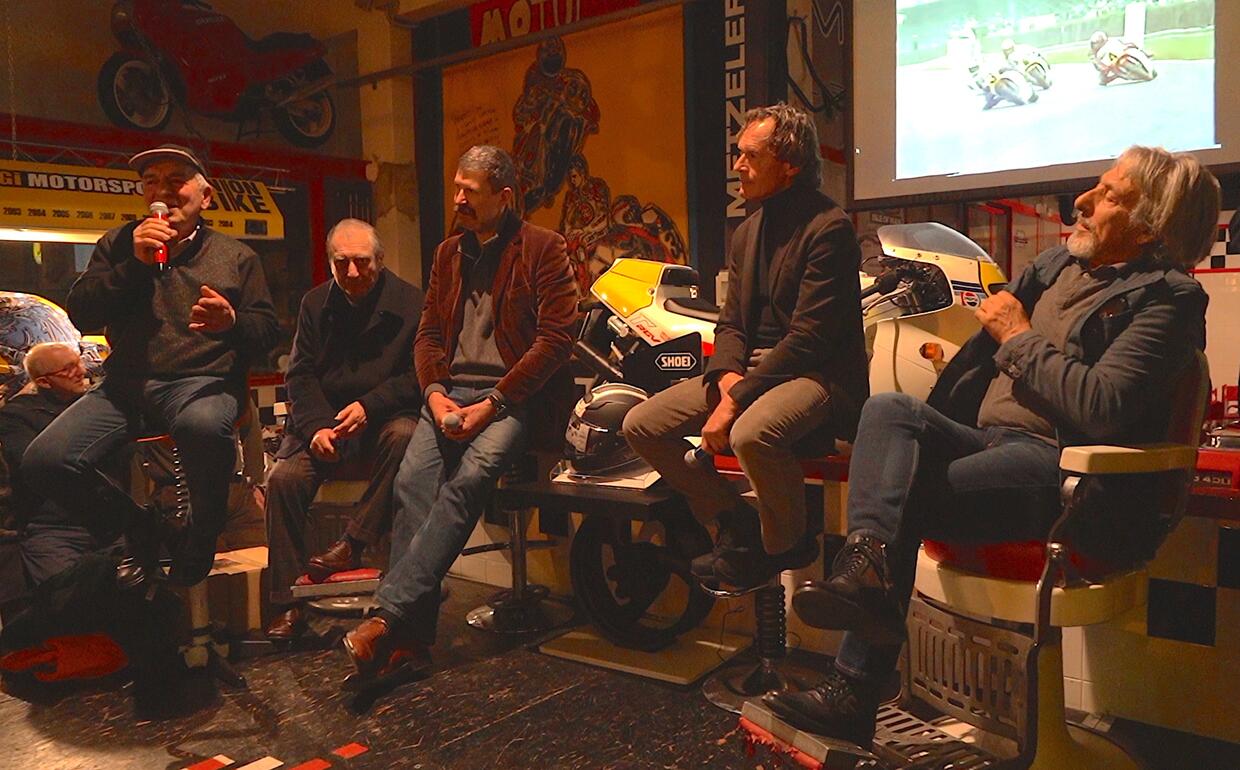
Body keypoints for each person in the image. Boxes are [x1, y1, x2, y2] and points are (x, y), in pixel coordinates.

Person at [765, 146, 1221, 746]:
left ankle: (853, 688)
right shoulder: (1056, 268)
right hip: (990, 442)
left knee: (904, 495)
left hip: (1063, 472)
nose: (1082, 201)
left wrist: (1018, 335)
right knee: (889, 409)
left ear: (1149, 227)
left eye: (1110, 195)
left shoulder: (1169, 298)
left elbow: (1101, 406)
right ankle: (865, 569)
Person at [342, 145, 578, 680]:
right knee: (411, 485)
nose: (458, 200)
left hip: (511, 398)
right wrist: (433, 394)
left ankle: (387, 618)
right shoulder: (448, 253)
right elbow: (427, 335)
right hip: (448, 395)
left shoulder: (543, 247)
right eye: (456, 188)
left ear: (504, 196)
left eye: (470, 191)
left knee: (468, 481)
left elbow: (557, 339)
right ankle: (410, 644)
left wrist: (494, 403)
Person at [623, 103, 869, 591]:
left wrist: (735, 400)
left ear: (790, 164)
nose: (738, 166)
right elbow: (732, 323)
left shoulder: (830, 227)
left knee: (751, 434)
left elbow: (809, 339)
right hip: (753, 374)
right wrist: (728, 378)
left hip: (816, 376)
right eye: (739, 154)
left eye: (751, 156)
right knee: (641, 424)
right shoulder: (748, 231)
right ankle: (737, 525)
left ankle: (786, 545)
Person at [23, 143, 278, 587]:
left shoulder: (237, 257)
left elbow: (267, 333)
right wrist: (134, 266)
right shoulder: (119, 244)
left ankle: (200, 536)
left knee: (203, 426)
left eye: (176, 181)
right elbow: (82, 312)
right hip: (125, 386)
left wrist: (232, 322)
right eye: (151, 182)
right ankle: (140, 527)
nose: (162, 191)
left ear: (205, 196)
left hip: (202, 382)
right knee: (44, 460)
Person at [263, 220, 425, 641]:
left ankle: (353, 542)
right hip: (327, 422)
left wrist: (370, 406)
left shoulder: (411, 302)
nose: (352, 272)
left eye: (362, 262)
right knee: (282, 480)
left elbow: (418, 377)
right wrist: (317, 425)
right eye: (342, 263)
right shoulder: (315, 303)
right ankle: (286, 601)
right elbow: (299, 375)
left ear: (380, 260)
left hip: (384, 418)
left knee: (406, 436)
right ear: (330, 262)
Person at [0, 343, 115, 586]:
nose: (81, 372)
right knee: (67, 596)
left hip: (109, 521)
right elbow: (34, 463)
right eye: (68, 369)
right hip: (54, 527)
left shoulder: (99, 406)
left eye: (78, 362)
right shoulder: (17, 415)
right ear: (43, 381)